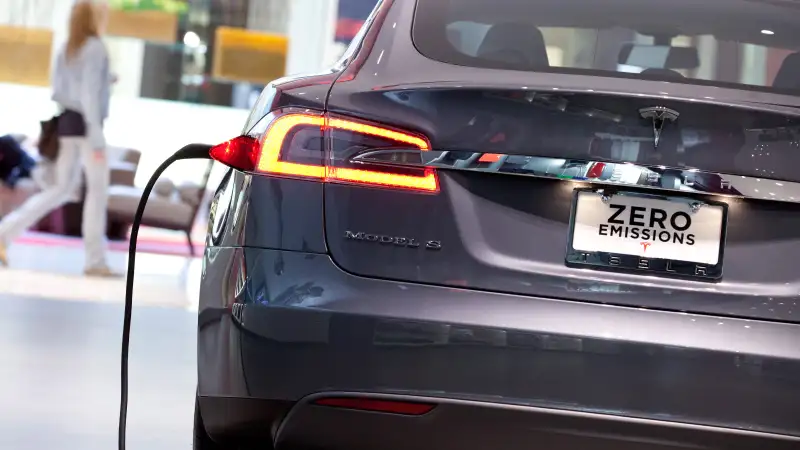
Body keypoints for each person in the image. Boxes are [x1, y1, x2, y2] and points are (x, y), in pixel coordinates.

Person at [0, 0, 116, 277]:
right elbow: (88, 93)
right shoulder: (96, 48)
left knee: (61, 188)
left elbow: (59, 91)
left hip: (67, 125)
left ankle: (4, 233)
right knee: (97, 192)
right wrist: (97, 134)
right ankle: (94, 260)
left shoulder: (67, 48)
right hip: (88, 129)